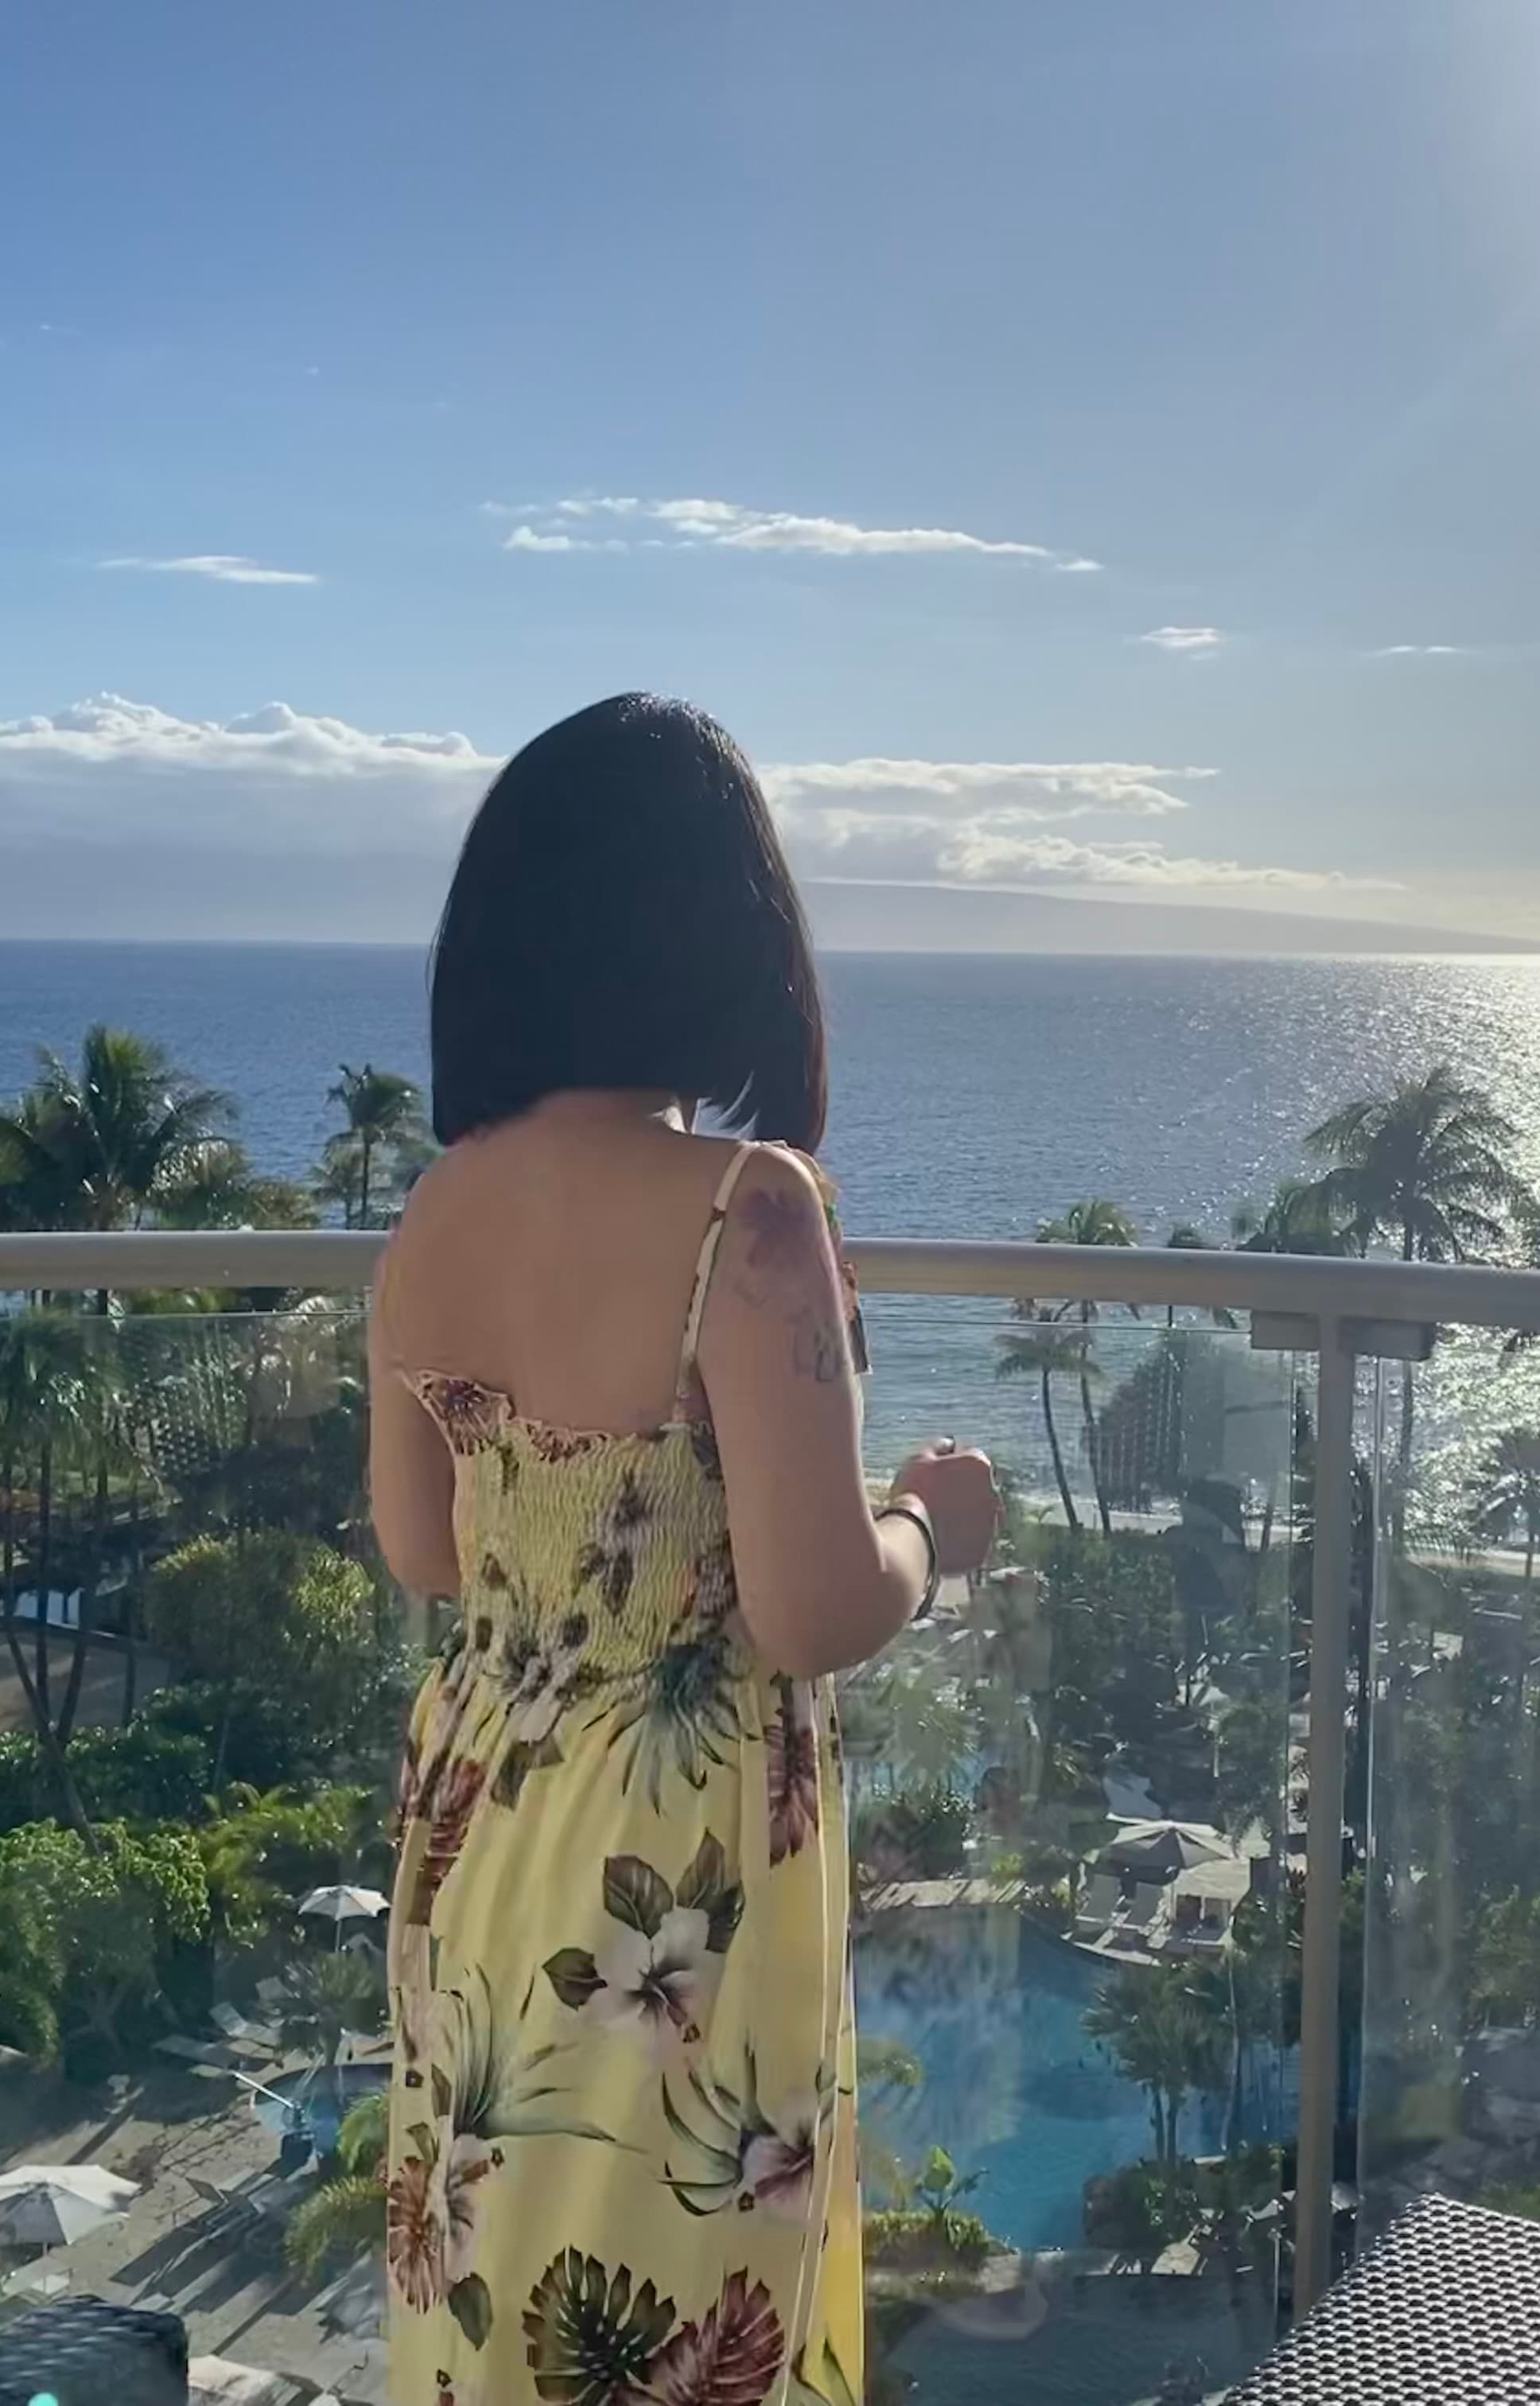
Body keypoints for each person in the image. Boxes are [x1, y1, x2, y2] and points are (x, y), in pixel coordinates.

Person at [370, 693, 998, 2406]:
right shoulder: (750, 1208)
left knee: (503, 2287)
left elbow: (420, 1547)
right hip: (673, 1887)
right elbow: (808, 1608)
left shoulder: (442, 1205)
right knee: (677, 2303)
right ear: (728, 940)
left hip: (477, 1835)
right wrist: (932, 1530)